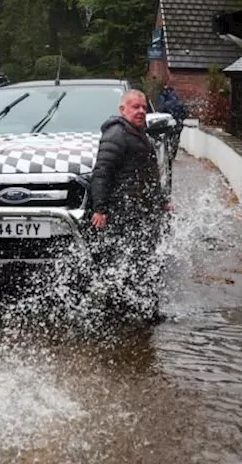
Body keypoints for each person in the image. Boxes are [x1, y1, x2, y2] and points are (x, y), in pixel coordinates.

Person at [90, 89, 170, 321]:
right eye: (135, 107)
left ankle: (143, 311)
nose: (141, 111)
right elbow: (102, 173)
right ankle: (123, 313)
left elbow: (147, 176)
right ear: (122, 109)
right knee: (130, 261)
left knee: (143, 260)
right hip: (124, 213)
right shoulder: (116, 134)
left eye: (144, 107)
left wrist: (162, 201)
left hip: (141, 211)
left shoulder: (137, 133)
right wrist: (100, 209)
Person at [157, 85, 189, 160]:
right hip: (178, 124)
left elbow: (161, 111)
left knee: (167, 137)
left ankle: (168, 152)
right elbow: (185, 113)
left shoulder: (165, 102)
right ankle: (173, 152)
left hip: (169, 124)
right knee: (176, 138)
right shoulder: (179, 102)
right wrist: (181, 119)